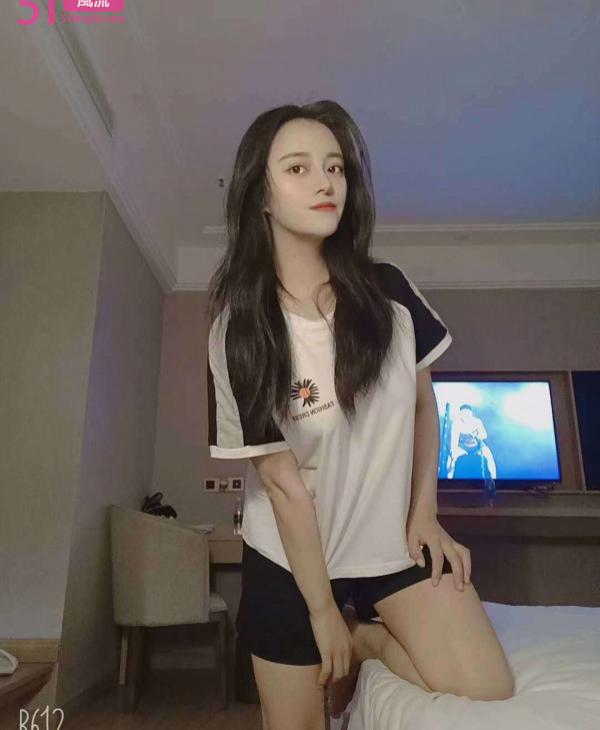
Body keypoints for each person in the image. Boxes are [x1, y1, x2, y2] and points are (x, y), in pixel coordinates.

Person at [206, 101, 514, 729]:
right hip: (292, 560)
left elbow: (424, 405)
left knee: (486, 687)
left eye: (335, 167)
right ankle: (347, 628)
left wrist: (425, 512)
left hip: (391, 544)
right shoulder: (240, 330)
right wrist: (322, 610)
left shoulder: (389, 291)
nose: (325, 182)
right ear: (261, 195)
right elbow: (283, 485)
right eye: (298, 168)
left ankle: (368, 640)